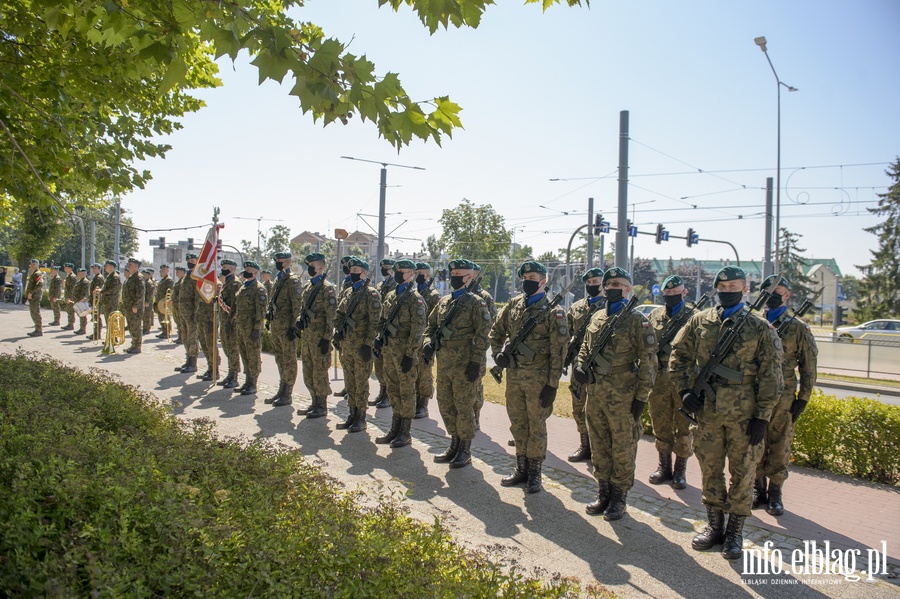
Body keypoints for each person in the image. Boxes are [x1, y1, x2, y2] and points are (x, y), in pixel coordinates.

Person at [669, 265, 782, 560]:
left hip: (744, 413)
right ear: (716, 288)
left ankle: (735, 532)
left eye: (734, 287)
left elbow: (773, 375)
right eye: (723, 287)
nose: (727, 291)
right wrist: (683, 391)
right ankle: (714, 526)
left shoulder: (759, 327)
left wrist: (762, 416)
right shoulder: (699, 321)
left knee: (743, 473)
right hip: (707, 410)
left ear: (745, 290)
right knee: (710, 469)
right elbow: (678, 357)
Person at [574, 267, 657, 520]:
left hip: (623, 393)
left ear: (628, 289)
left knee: (622, 446)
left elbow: (649, 362)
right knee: (598, 443)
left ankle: (619, 497)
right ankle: (603, 491)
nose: (611, 288)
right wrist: (579, 365)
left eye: (617, 284)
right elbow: (585, 347)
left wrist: (641, 397)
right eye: (608, 284)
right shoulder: (598, 316)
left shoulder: (636, 321)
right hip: (596, 390)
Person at [489, 260, 567, 493]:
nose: (527, 282)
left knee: (536, 426)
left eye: (532, 278)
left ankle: (534, 473)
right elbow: (496, 331)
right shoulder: (513, 304)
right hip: (514, 376)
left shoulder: (555, 312)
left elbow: (559, 352)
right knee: (518, 424)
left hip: (539, 380)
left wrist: (552, 385)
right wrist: (498, 354)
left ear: (543, 281)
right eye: (525, 278)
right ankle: (520, 468)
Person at [754, 274, 818, 516]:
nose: (772, 296)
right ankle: (757, 489)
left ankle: (775, 493)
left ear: (787, 295)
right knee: (755, 440)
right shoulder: (753, 322)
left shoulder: (798, 327)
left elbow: (809, 366)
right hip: (756, 392)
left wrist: (804, 397)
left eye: (777, 291)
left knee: (780, 443)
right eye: (767, 291)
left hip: (784, 395)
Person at [423, 258, 491, 468]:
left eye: (459, 275)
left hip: (465, 364)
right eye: (452, 274)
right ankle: (454, 443)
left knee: (464, 407)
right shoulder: (444, 302)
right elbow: (431, 325)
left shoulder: (476, 303)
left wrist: (475, 361)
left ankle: (465, 449)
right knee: (446, 404)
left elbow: (483, 334)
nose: (454, 278)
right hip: (445, 363)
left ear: (469, 277)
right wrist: (427, 342)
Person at [646, 275, 694, 489]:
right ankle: (663, 466)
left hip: (684, 380)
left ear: (684, 292)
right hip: (659, 380)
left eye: (676, 293)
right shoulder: (655, 315)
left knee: (684, 426)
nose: (671, 296)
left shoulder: (694, 317)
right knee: (661, 423)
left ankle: (680, 470)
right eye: (668, 293)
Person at [374, 259, 427, 448]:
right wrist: (379, 338)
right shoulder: (390, 295)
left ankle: (405, 432)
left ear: (411, 274)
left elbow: (418, 328)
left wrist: (410, 353)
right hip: (389, 350)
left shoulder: (415, 299)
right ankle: (394, 428)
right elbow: (382, 319)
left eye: (401, 271)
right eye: (396, 271)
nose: (397, 274)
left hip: (405, 351)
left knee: (406, 390)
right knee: (393, 388)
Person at [332, 257, 382, 432]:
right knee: (349, 380)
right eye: (351, 270)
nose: (353, 274)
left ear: (364, 273)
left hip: (361, 346)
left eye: (356, 271)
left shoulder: (371, 294)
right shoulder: (348, 292)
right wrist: (337, 331)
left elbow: (375, 322)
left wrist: (368, 344)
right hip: (347, 344)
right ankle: (351, 414)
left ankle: (361, 417)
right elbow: (339, 313)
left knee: (361, 382)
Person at [564, 268, 606, 462]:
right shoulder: (577, 307)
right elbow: (566, 334)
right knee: (578, 404)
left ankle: (600, 448)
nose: (592, 286)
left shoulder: (610, 307)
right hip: (579, 364)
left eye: (595, 282)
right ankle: (585, 445)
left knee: (599, 408)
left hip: (601, 367)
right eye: (588, 283)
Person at [294, 252, 337, 418]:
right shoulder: (308, 287)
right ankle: (314, 401)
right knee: (308, 370)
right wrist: (299, 321)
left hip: (320, 338)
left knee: (319, 371)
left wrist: (327, 338)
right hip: (308, 336)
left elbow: (331, 316)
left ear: (320, 267)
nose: (309, 269)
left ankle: (322, 405)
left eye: (311, 266)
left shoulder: (327, 289)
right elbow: (303, 309)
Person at [268, 251, 304, 407]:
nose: (277, 262)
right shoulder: (279, 279)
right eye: (276, 260)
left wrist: (294, 327)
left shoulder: (293, 281)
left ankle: (287, 393)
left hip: (287, 327)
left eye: (280, 260)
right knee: (280, 358)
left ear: (288, 262)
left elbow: (297, 306)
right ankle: (281, 389)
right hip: (277, 326)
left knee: (288, 359)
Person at [233, 261, 268, 395]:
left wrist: (257, 328)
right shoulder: (243, 287)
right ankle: (247, 381)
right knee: (244, 354)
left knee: (253, 355)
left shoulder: (259, 288)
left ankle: (253, 383)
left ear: (256, 272)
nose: (246, 271)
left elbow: (261, 311)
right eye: (246, 269)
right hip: (241, 327)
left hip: (251, 327)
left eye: (249, 269)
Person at [471, 262, 496, 429]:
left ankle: (475, 416)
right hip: (457, 350)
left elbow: (491, 322)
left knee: (476, 383)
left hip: (476, 347)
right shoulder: (458, 295)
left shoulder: (484, 297)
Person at [370, 258, 397, 409]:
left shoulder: (395, 286)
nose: (385, 270)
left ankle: (387, 395)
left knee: (386, 364)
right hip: (379, 328)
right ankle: (382, 391)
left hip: (389, 330)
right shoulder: (380, 286)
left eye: (387, 268)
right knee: (378, 363)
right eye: (383, 268)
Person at [414, 261, 440, 418]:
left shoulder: (433, 296)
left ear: (428, 276)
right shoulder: (412, 293)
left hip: (425, 339)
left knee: (424, 373)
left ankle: (423, 405)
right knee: (412, 372)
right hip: (411, 339)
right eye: (416, 273)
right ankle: (414, 401)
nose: (418, 276)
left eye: (421, 274)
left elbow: (435, 321)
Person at [333, 254, 358, 399]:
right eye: (345, 265)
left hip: (353, 331)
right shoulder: (346, 282)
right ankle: (348, 386)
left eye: (348, 265)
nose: (345, 268)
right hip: (344, 328)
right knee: (345, 360)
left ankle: (353, 390)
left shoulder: (356, 284)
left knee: (355, 363)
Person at [217, 259, 242, 388]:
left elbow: (235, 307)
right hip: (224, 321)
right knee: (227, 348)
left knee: (233, 349)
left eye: (225, 267)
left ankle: (235, 376)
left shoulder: (235, 284)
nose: (223, 269)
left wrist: (232, 322)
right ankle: (230, 374)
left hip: (231, 323)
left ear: (231, 269)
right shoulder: (226, 283)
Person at [175, 255, 201, 373]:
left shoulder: (197, 276)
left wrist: (195, 313)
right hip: (183, 312)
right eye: (189, 261)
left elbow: (197, 297)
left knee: (192, 338)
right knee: (185, 337)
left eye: (192, 261)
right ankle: (188, 360)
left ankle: (193, 362)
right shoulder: (186, 276)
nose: (190, 262)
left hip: (191, 313)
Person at [121, 258, 145, 354]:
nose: (128, 266)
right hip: (129, 306)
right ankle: (133, 344)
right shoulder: (131, 277)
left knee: (135, 326)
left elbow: (140, 293)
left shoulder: (138, 277)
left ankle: (137, 346)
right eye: (128, 264)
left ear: (136, 266)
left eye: (130, 265)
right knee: (131, 326)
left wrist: (136, 306)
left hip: (135, 308)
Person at [99, 260, 122, 344]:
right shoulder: (110, 276)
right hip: (108, 302)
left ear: (112, 267)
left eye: (107, 266)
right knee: (109, 321)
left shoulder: (115, 277)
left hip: (111, 302)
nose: (105, 267)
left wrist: (101, 291)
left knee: (112, 321)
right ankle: (111, 338)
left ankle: (112, 339)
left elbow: (113, 290)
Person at [24, 259, 44, 336]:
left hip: (35, 296)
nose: (32, 266)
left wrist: (31, 293)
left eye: (34, 264)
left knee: (35, 312)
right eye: (31, 265)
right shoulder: (34, 273)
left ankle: (39, 330)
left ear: (38, 265)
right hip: (33, 296)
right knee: (33, 312)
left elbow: (40, 284)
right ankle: (37, 329)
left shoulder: (37, 274)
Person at [154, 264, 174, 339]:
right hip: (160, 302)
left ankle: (167, 331)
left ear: (168, 270)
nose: (162, 271)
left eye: (164, 270)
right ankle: (164, 331)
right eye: (162, 270)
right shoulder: (162, 280)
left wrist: (168, 300)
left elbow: (170, 290)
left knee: (166, 316)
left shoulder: (169, 280)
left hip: (164, 301)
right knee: (161, 317)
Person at [87, 263, 105, 339]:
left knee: (96, 317)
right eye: (93, 268)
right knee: (94, 317)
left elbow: (99, 289)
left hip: (97, 300)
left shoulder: (99, 278)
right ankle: (96, 333)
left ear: (99, 269)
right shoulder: (96, 277)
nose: (94, 270)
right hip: (93, 299)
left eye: (95, 268)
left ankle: (97, 334)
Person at [171, 266, 187, 344]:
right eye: (176, 271)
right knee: (178, 321)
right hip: (176, 305)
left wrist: (173, 300)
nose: (177, 273)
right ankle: (180, 336)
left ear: (183, 272)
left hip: (180, 305)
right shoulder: (179, 282)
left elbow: (182, 294)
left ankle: (182, 337)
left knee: (181, 322)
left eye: (179, 271)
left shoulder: (183, 282)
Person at [73, 268, 90, 334]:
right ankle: (81, 328)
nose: (79, 274)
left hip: (81, 300)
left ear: (84, 274)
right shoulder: (80, 281)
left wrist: (81, 300)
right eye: (79, 273)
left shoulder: (85, 282)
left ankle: (83, 329)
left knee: (83, 315)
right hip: (78, 300)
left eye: (81, 273)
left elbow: (85, 292)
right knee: (81, 315)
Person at [141, 268, 157, 334]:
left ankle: (147, 329)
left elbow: (150, 294)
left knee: (147, 315)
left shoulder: (149, 283)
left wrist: (147, 301)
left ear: (148, 275)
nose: (143, 275)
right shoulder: (144, 282)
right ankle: (145, 328)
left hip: (148, 301)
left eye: (145, 274)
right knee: (145, 315)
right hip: (144, 300)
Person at [62, 263, 77, 330]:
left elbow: (71, 288)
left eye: (66, 267)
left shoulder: (72, 277)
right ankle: (70, 324)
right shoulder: (69, 276)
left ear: (70, 268)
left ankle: (71, 324)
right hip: (68, 296)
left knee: (70, 310)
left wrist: (69, 297)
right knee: (69, 310)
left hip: (70, 297)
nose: (65, 268)